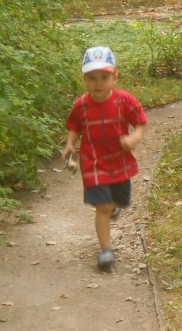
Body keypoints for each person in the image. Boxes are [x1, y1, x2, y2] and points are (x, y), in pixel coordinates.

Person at [62, 46, 147, 270]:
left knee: (120, 200)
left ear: (115, 76)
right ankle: (105, 250)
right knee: (102, 207)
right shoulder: (81, 105)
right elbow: (74, 126)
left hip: (119, 162)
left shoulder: (124, 100)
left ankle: (114, 207)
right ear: (84, 79)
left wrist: (134, 138)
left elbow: (140, 122)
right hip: (93, 163)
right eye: (92, 78)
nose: (98, 83)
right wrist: (70, 143)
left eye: (104, 77)